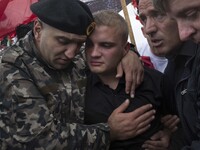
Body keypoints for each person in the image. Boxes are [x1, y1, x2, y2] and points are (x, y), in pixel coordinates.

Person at [0, 0, 157, 149]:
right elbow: (42, 140)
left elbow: (109, 52)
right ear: (38, 29)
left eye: (80, 43)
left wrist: (130, 54)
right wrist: (109, 132)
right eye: (63, 41)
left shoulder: (74, 55)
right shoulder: (10, 68)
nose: (71, 53)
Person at [84, 10, 177, 150]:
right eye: (89, 44)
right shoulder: (76, 90)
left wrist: (170, 135)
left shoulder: (156, 81)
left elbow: (180, 122)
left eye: (106, 45)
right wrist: (108, 132)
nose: (94, 53)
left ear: (125, 48)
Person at [137, 0, 200, 149]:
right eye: (144, 19)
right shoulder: (172, 68)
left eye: (158, 14)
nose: (148, 29)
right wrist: (173, 136)